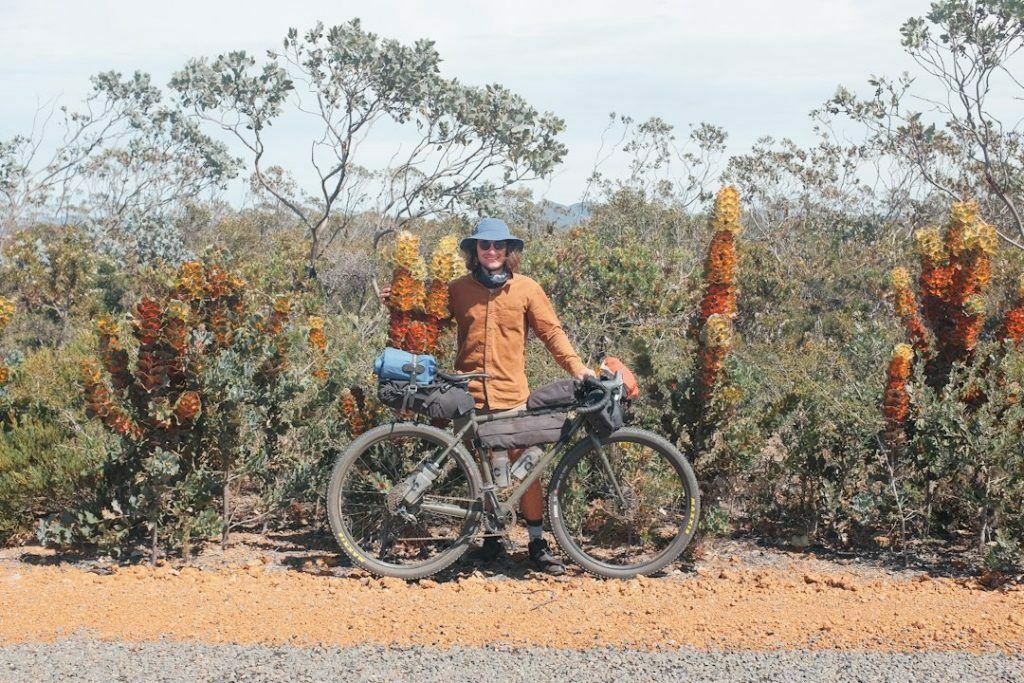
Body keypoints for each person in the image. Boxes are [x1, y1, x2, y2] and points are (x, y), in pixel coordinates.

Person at [382, 217, 594, 574]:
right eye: (484, 246)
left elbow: (551, 333)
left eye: (498, 246)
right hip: (468, 394)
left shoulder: (526, 289)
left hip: (513, 393)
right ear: (474, 251)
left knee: (524, 469)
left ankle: (537, 544)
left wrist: (578, 369)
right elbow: (430, 320)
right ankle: (492, 542)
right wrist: (399, 305)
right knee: (481, 471)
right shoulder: (458, 288)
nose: (491, 251)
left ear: (509, 251)